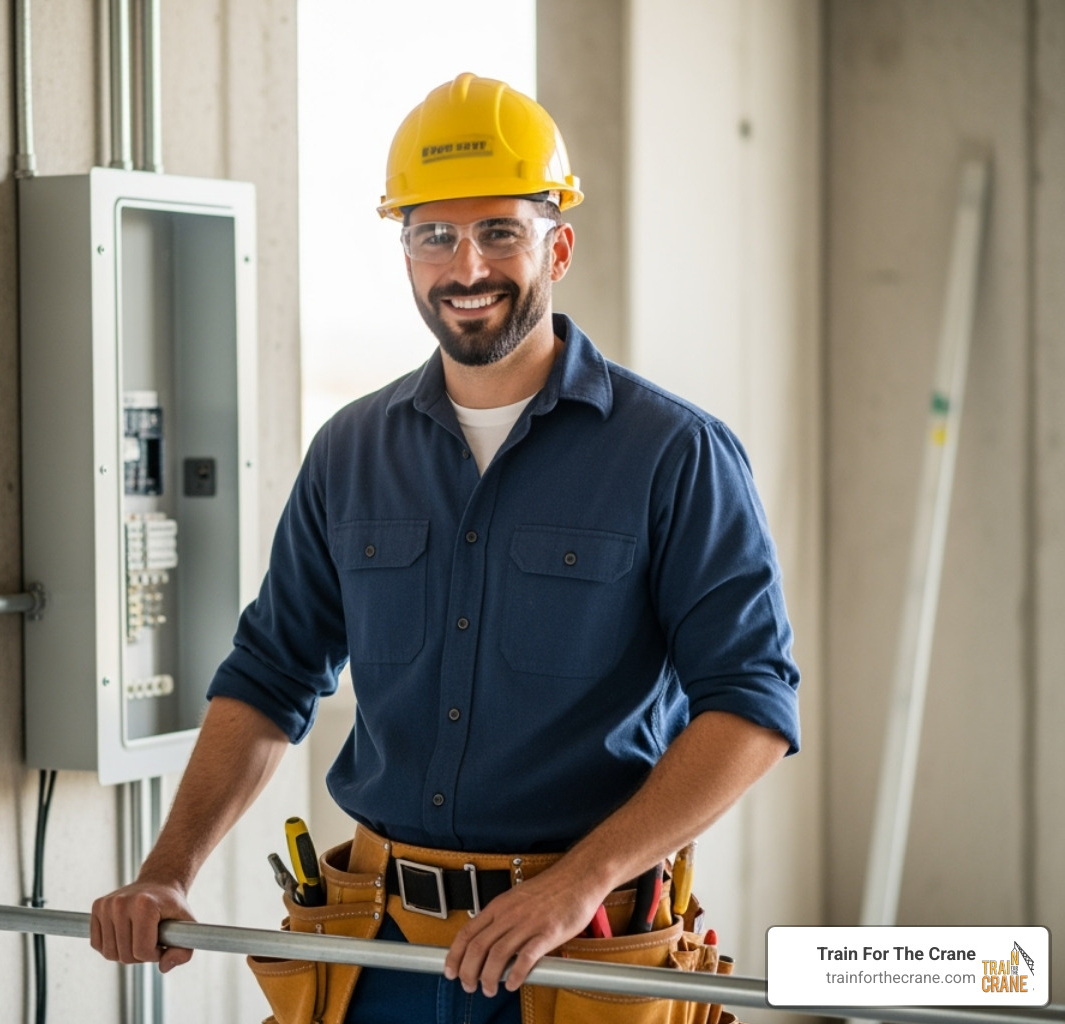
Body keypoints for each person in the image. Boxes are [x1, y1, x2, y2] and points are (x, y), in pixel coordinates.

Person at [91, 72, 800, 1024]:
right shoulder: (349, 451)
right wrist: (166, 873)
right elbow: (270, 674)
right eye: (434, 234)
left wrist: (577, 883)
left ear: (560, 243)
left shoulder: (673, 454)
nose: (467, 265)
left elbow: (751, 706)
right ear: (406, 251)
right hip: (376, 950)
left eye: (500, 231)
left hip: (579, 954)